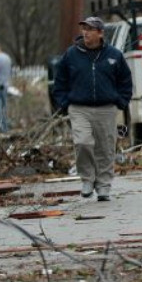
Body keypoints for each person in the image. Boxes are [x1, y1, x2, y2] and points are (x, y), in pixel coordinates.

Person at [52, 17, 133, 201]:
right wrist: (64, 104)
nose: (85, 32)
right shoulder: (71, 54)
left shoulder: (114, 55)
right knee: (82, 142)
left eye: (90, 29)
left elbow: (125, 81)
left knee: (105, 149)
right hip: (79, 108)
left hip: (106, 109)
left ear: (100, 33)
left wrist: (121, 102)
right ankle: (88, 179)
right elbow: (60, 81)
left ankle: (103, 186)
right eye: (83, 29)